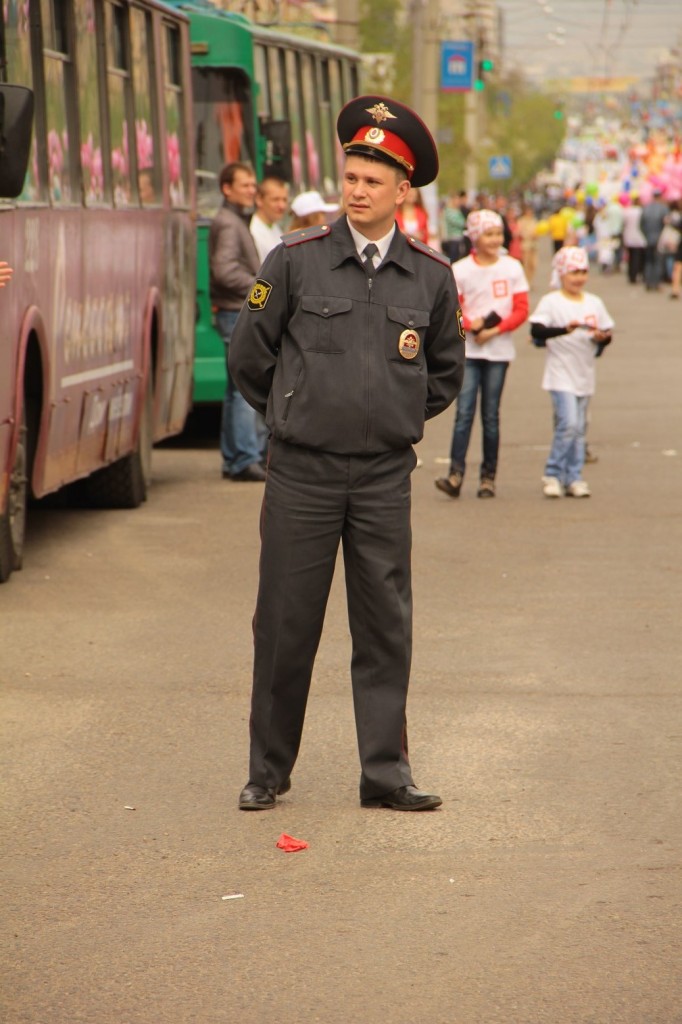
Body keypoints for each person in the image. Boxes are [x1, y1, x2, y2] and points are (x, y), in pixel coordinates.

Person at [229, 94, 465, 812]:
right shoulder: (294, 258)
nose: (358, 190)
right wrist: (295, 411)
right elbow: (250, 355)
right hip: (302, 472)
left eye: (373, 180)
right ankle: (267, 772)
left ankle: (385, 774)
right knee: (285, 623)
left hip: (383, 479)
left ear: (403, 191)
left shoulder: (430, 275)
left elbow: (445, 372)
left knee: (385, 627)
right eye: (352, 176)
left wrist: (388, 419)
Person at [435, 209, 529, 500]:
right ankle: (455, 474)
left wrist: (495, 330)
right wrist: (470, 326)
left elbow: (521, 309)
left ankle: (488, 477)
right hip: (469, 351)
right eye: (488, 234)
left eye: (498, 233)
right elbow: (452, 310)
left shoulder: (512, 267)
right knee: (463, 413)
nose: (495, 239)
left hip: (498, 352)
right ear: (475, 237)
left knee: (490, 416)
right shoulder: (461, 269)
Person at [529, 246, 614, 498]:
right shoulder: (552, 301)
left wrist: (601, 338)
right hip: (559, 374)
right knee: (569, 424)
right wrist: (564, 329)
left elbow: (607, 334)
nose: (578, 277)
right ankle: (553, 473)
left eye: (583, 272)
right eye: (573, 272)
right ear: (562, 274)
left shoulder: (594, 302)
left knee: (579, 429)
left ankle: (574, 476)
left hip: (584, 374)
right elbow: (536, 331)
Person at [209, 161, 265, 482]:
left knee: (233, 390)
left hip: (229, 310)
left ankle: (233, 458)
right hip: (235, 311)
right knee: (243, 389)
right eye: (245, 185)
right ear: (226, 189)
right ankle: (244, 457)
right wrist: (261, 287)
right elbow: (225, 270)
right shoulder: (230, 223)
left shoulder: (231, 219)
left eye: (252, 184)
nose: (251, 190)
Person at [249, 175, 289, 264]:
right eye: (275, 199)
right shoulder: (252, 231)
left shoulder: (275, 228)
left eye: (284, 200)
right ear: (259, 200)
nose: (282, 206)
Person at [640, 190, 668, 292]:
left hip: (648, 238)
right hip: (659, 238)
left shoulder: (646, 208)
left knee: (649, 261)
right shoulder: (663, 208)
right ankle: (656, 283)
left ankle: (648, 282)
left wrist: (646, 235)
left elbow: (641, 225)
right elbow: (666, 224)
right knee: (657, 261)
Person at [621, 196, 647, 284]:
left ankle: (631, 275)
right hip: (640, 238)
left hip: (629, 238)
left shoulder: (627, 211)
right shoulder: (642, 211)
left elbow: (623, 224)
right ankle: (637, 274)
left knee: (631, 258)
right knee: (638, 258)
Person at [516, 204, 539, 285]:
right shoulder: (521, 221)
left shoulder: (533, 220)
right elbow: (520, 232)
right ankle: (525, 282)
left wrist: (536, 235)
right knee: (526, 265)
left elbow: (537, 230)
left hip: (534, 245)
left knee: (533, 265)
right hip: (525, 245)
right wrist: (529, 235)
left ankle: (529, 280)